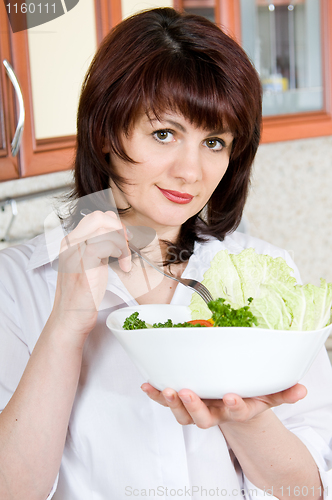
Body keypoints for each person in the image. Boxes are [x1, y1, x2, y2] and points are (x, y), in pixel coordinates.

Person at [0, 7, 331, 500]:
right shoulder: (18, 280)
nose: (191, 171)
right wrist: (66, 326)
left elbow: (309, 490)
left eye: (214, 141)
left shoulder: (263, 274)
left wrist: (244, 421)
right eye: (164, 134)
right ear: (106, 134)